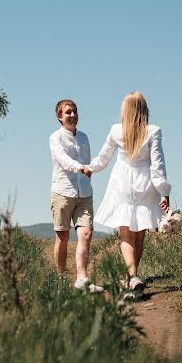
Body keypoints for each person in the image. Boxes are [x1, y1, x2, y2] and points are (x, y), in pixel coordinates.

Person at [86, 92, 171, 293]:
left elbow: (104, 157)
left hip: (123, 182)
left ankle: (132, 277)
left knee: (126, 233)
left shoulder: (117, 130)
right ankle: (133, 277)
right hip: (145, 183)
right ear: (144, 110)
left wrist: (91, 168)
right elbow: (158, 165)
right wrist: (164, 191)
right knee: (140, 233)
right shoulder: (154, 131)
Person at [48, 99, 104, 293]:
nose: (72, 115)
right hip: (62, 192)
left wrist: (89, 169)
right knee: (62, 236)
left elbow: (88, 162)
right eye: (68, 113)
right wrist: (80, 167)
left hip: (84, 193)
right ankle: (61, 278)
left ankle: (82, 279)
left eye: (75, 111)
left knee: (86, 233)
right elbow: (63, 160)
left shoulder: (84, 137)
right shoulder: (55, 138)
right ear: (60, 117)